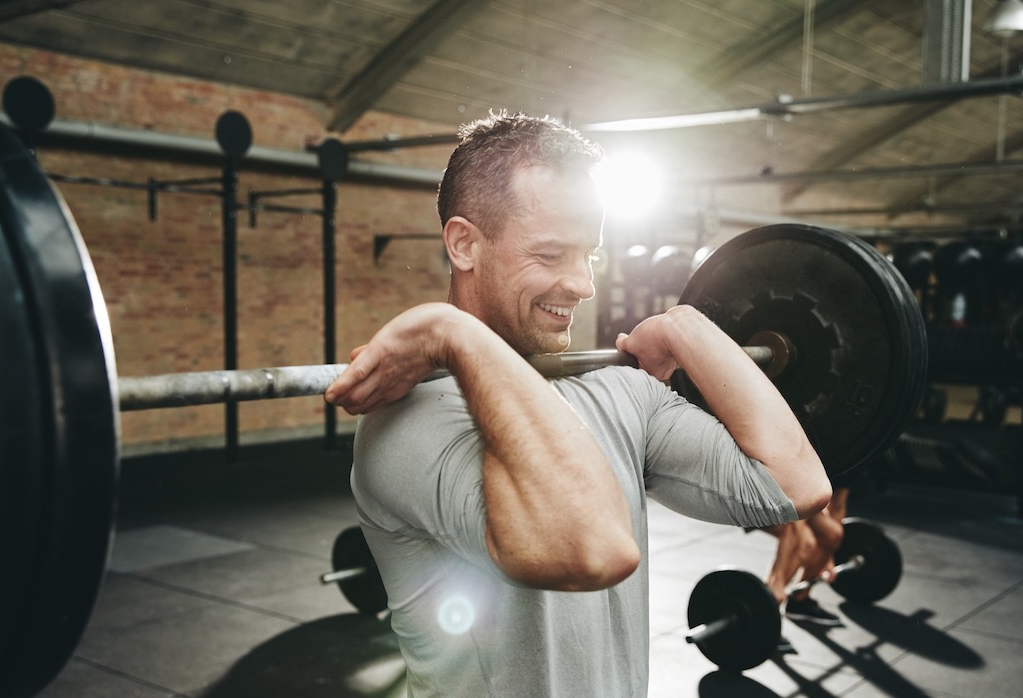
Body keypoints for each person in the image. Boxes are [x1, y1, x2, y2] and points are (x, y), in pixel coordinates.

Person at [324, 111, 831, 696]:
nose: (583, 284)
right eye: (550, 255)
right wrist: (455, 334)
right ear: (464, 244)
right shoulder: (412, 424)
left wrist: (690, 328)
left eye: (588, 254)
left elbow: (796, 485)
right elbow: (592, 553)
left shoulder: (618, 389)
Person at [763, 487, 850, 653]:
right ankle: (763, 617)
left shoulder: (851, 463)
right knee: (806, 542)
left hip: (800, 498)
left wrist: (829, 553)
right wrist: (778, 579)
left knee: (833, 534)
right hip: (767, 491)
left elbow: (836, 505)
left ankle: (799, 601)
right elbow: (794, 506)